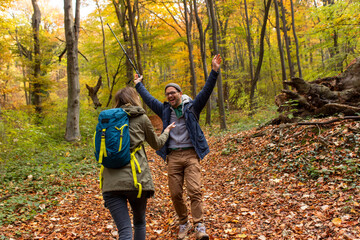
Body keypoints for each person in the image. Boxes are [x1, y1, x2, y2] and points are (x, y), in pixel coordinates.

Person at [134, 54, 222, 240]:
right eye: (167, 94)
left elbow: (206, 92)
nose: (170, 95)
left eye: (173, 92)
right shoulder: (165, 110)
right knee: (175, 193)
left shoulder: (192, 108)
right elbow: (149, 100)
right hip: (173, 156)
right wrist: (139, 85)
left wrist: (214, 71)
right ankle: (184, 222)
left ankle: (199, 226)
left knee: (194, 190)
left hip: (191, 155)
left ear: (180, 94)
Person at [101, 87, 175, 240]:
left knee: (124, 230)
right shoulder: (141, 118)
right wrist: (166, 131)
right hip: (136, 182)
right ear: (135, 99)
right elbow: (157, 144)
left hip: (111, 183)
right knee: (139, 223)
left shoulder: (106, 120)